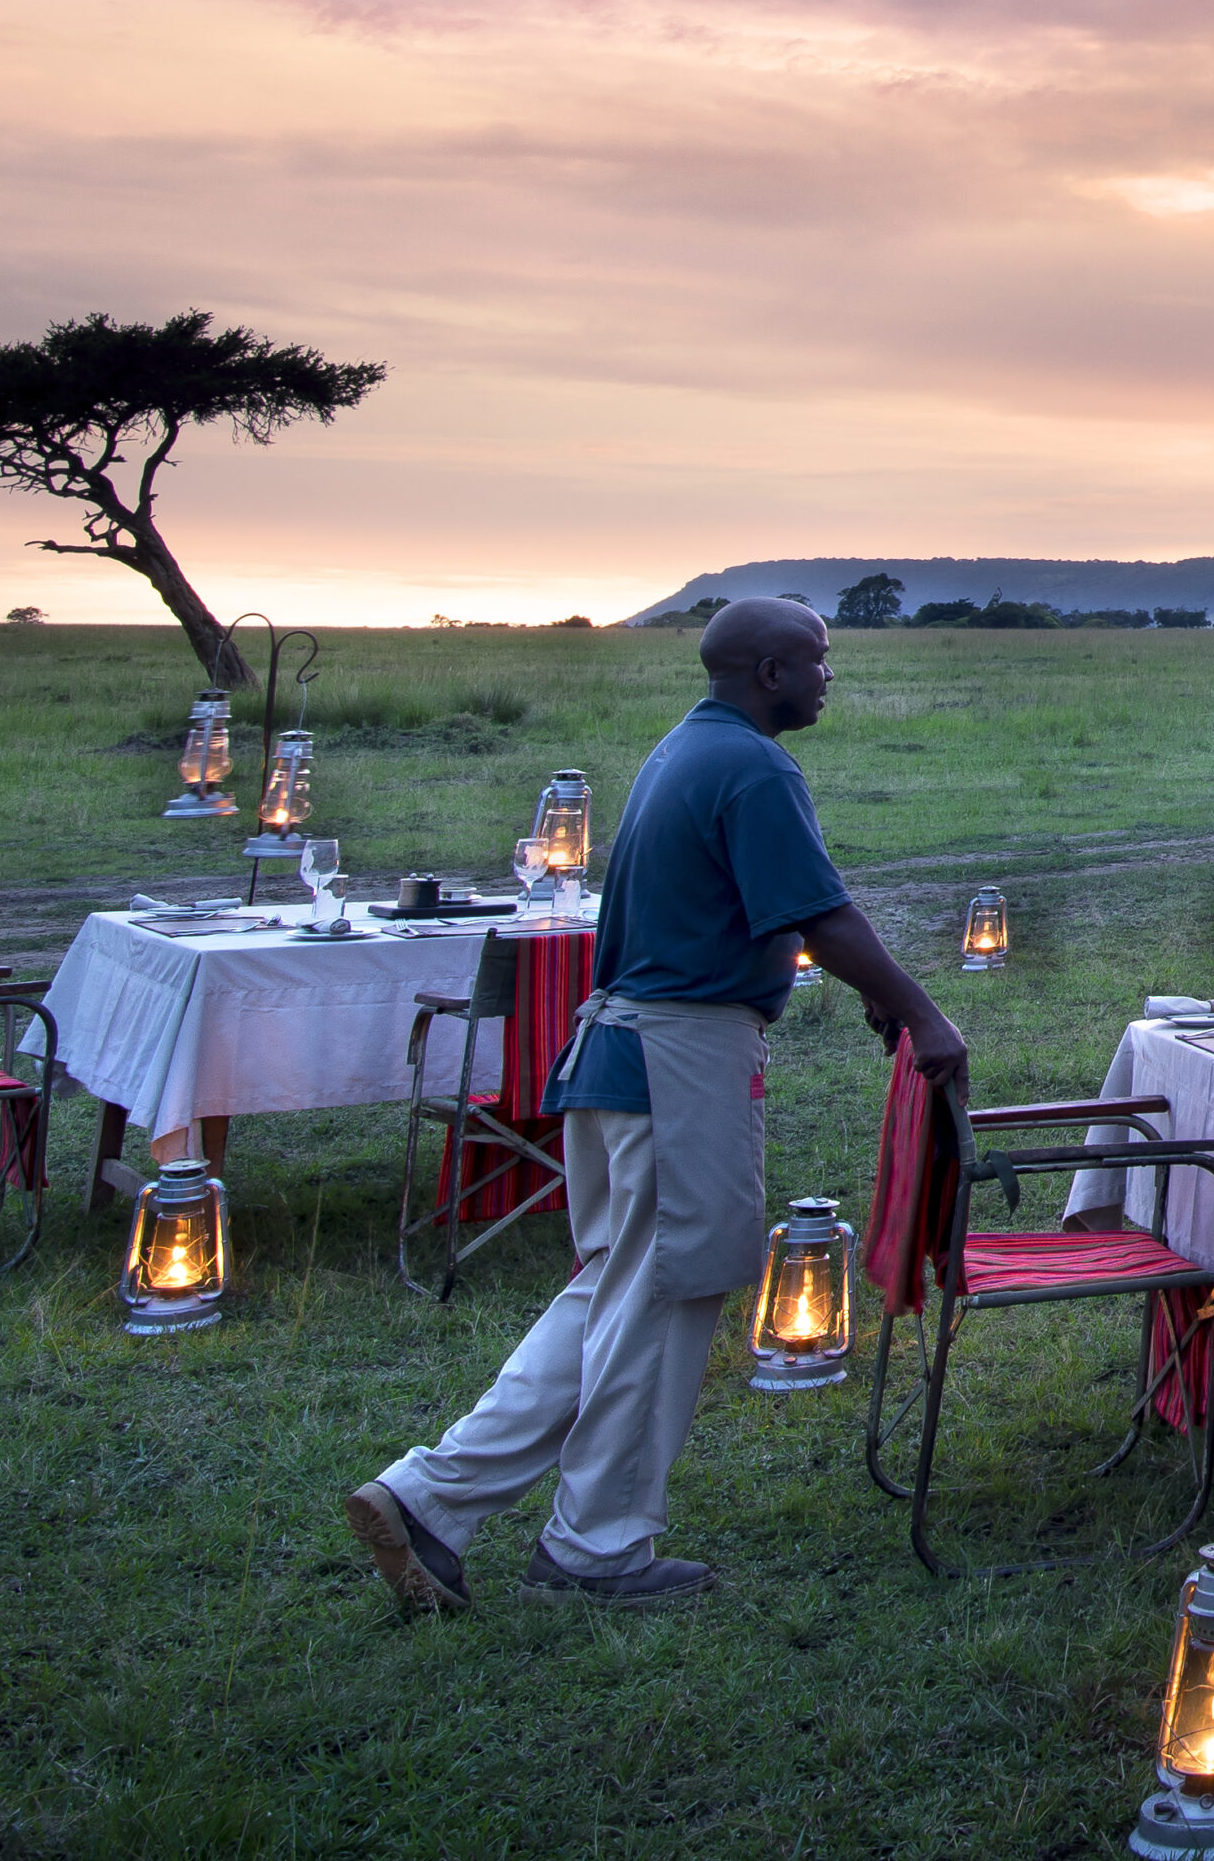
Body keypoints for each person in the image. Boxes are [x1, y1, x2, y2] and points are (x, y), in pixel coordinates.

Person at [347, 595, 961, 1613]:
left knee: (616, 1287)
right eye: (816, 660)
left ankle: (430, 1496)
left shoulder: (687, 748)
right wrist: (918, 1011)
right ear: (768, 670)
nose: (826, 677)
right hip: (677, 1058)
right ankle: (595, 1544)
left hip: (623, 1050)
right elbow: (817, 910)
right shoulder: (753, 765)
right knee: (662, 1298)